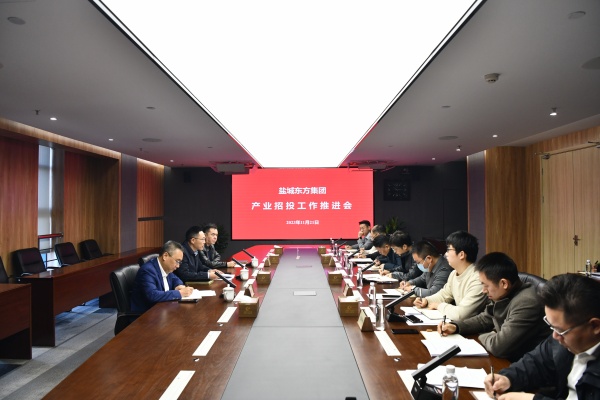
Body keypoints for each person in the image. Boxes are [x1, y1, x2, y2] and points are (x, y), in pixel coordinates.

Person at [484, 273, 600, 400]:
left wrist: (533, 399)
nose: (554, 336)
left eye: (561, 330)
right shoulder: (562, 339)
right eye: (551, 326)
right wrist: (508, 378)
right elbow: (536, 362)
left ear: (595, 326)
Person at [438, 252, 549, 361]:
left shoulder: (526, 302)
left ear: (504, 283)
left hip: (526, 364)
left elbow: (499, 347)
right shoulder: (504, 294)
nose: (483, 290)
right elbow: (485, 319)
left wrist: (481, 336)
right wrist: (456, 327)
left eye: (486, 285)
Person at [413, 230, 486, 320]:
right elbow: (444, 295)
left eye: (449, 250)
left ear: (461, 254)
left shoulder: (478, 279)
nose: (446, 254)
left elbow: (461, 314)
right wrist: (426, 300)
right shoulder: (453, 274)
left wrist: (439, 305)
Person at [130, 240, 194, 313]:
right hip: (147, 314)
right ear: (165, 256)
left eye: (180, 262)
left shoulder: (165, 267)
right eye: (177, 261)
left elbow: (175, 278)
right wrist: (179, 293)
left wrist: (178, 285)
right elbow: (153, 295)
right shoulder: (148, 270)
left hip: (163, 310)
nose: (178, 266)